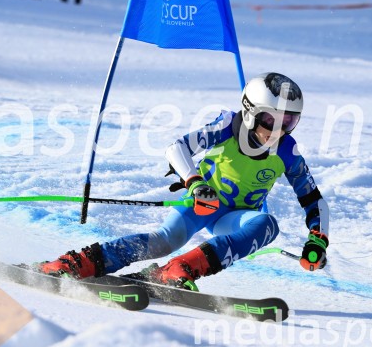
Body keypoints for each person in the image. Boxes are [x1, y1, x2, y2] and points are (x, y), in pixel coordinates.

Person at [38, 73, 330, 290]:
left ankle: (179, 269)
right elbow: (177, 148)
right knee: (165, 240)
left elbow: (313, 200)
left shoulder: (287, 152)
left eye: (288, 122)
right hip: (202, 203)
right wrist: (195, 182)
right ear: (250, 110)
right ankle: (78, 263)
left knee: (267, 225)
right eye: (270, 119)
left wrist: (318, 240)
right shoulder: (227, 127)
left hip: (234, 216)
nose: (277, 130)